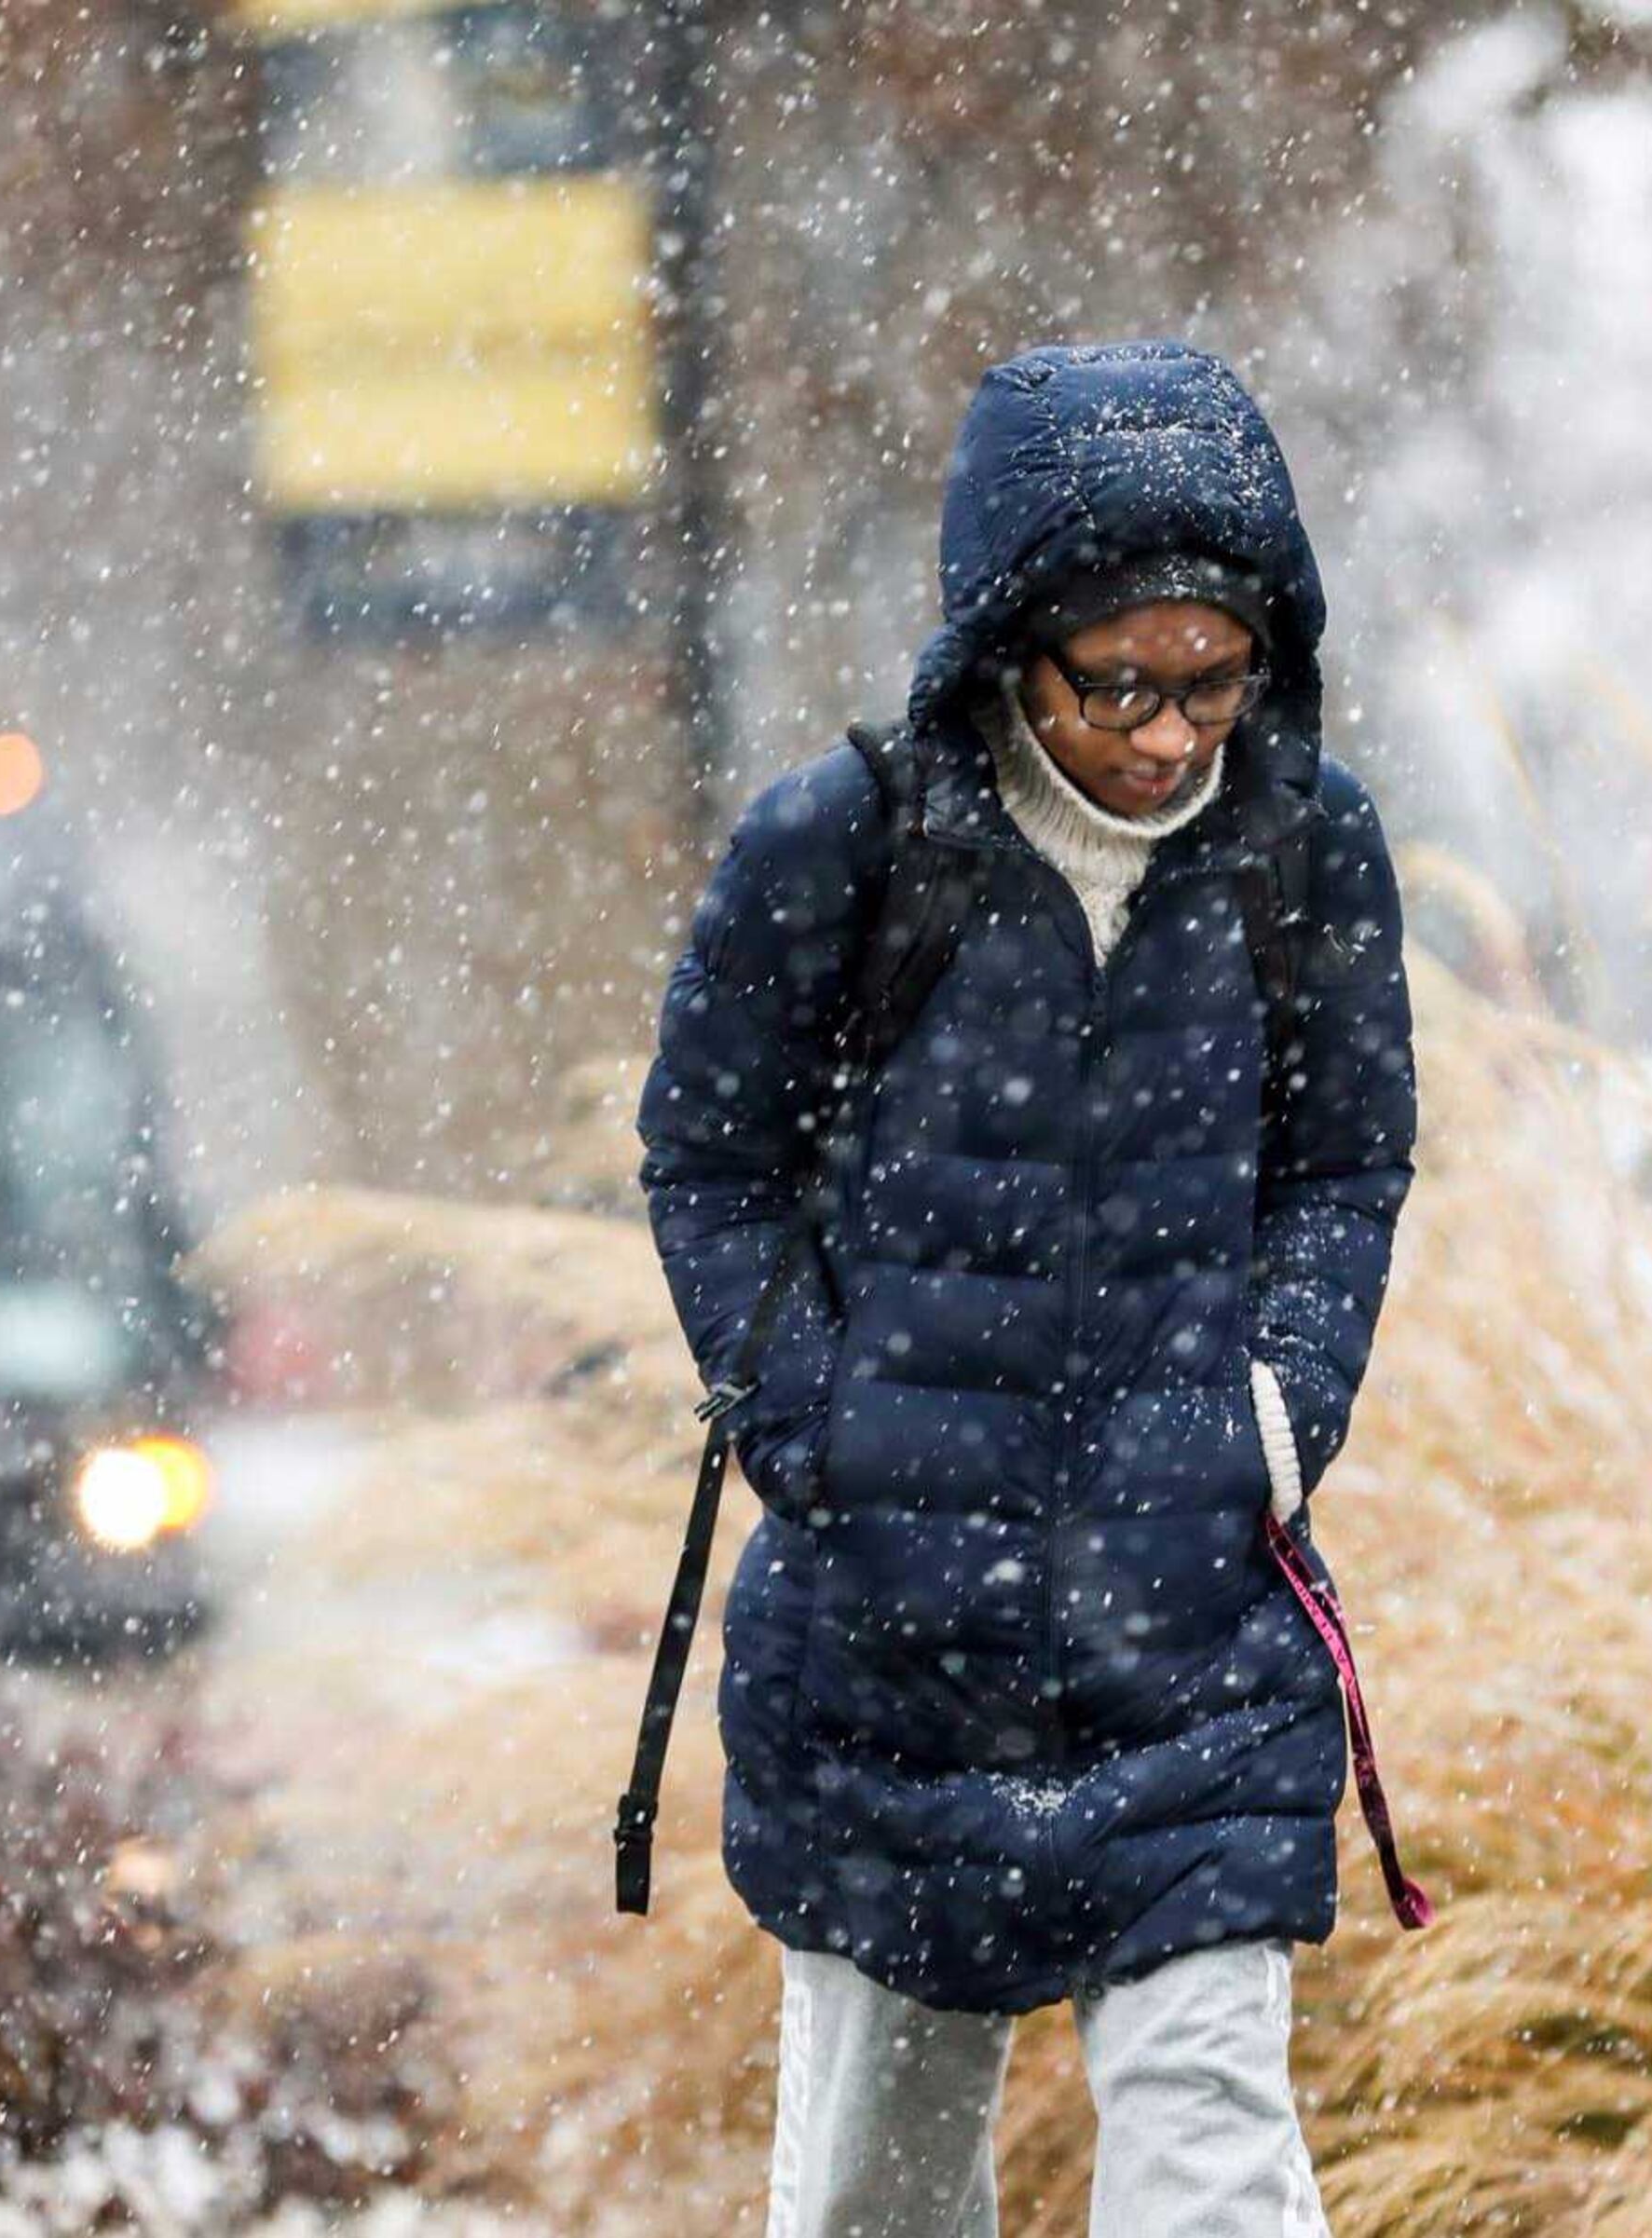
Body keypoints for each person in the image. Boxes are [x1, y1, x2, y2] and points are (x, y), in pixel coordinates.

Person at [635, 337, 1419, 2234]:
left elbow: (1345, 1168)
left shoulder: (1306, 855)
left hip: (1194, 1643)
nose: (1169, 735)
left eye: (1215, 680)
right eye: (1120, 682)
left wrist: (1273, 1415)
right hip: (893, 1651)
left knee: (1214, 2163)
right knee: (878, 2192)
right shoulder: (844, 847)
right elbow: (709, 1161)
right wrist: (823, 1434)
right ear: (1010, 647)